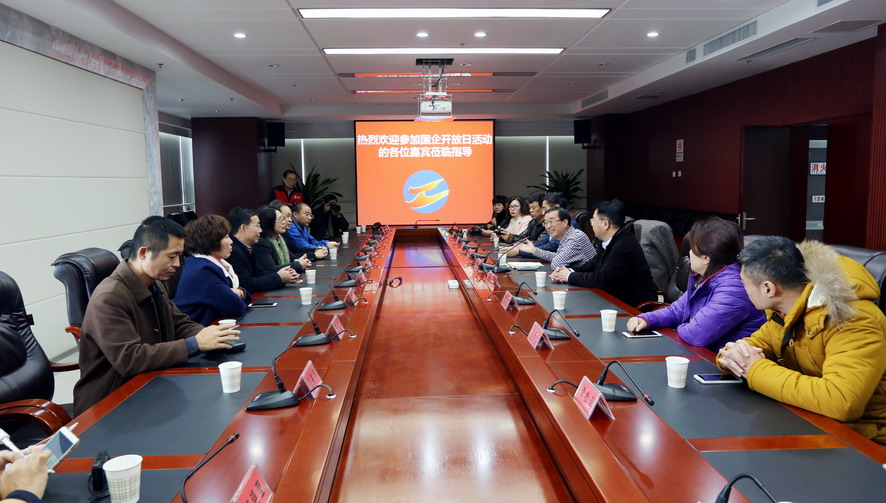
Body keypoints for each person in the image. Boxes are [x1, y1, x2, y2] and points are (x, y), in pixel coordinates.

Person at [717, 237, 886, 445]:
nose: (743, 290)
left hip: (864, 440)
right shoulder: (784, 311)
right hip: (809, 422)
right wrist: (732, 357)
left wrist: (755, 369)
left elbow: (842, 401)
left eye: (744, 284)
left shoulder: (852, 319)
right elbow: (754, 346)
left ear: (768, 289)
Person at [73, 217, 240, 414]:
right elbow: (129, 359)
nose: (177, 264)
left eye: (179, 256)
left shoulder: (153, 283)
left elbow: (178, 323)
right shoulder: (109, 298)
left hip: (150, 383)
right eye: (171, 256)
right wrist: (195, 344)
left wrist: (212, 337)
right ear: (144, 253)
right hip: (111, 401)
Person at [626, 217, 766, 351]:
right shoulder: (707, 277)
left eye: (692, 249)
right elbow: (676, 311)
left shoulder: (734, 289)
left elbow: (695, 335)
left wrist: (681, 325)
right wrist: (646, 319)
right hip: (704, 354)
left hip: (721, 362)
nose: (689, 253)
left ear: (706, 258)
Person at [551, 199, 657, 307]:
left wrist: (569, 276)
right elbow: (591, 265)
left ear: (605, 224)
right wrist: (568, 270)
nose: (591, 224)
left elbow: (601, 279)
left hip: (633, 307)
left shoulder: (625, 245)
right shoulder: (610, 241)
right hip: (612, 299)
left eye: (593, 220)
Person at [173, 215, 251, 326]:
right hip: (197, 330)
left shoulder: (207, 263)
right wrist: (240, 293)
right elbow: (235, 307)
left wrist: (240, 292)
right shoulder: (202, 270)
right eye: (226, 237)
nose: (231, 241)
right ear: (211, 241)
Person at [227, 207, 299, 294]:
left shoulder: (246, 247)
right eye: (257, 226)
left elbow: (261, 272)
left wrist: (284, 273)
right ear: (243, 228)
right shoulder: (232, 251)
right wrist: (279, 278)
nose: (260, 230)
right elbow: (247, 284)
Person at [516, 207, 596, 269]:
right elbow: (557, 256)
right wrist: (534, 250)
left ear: (564, 222)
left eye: (551, 221)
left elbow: (556, 264)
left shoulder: (575, 237)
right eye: (545, 223)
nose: (548, 226)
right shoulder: (567, 235)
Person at [254, 205, 311, 275]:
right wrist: (298, 265)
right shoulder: (262, 243)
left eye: (283, 219)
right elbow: (270, 269)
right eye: (280, 219)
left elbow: (293, 258)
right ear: (269, 222)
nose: (284, 222)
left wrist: (304, 261)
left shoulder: (280, 239)